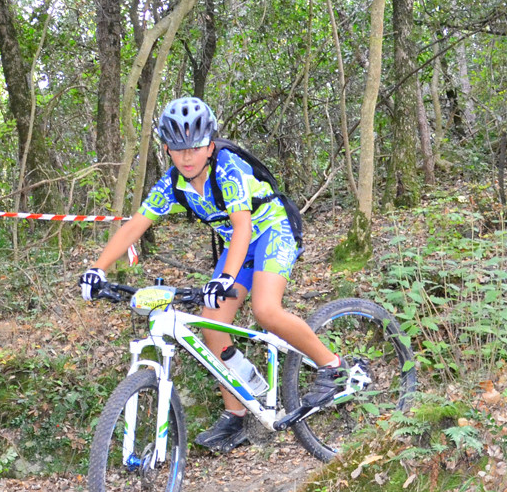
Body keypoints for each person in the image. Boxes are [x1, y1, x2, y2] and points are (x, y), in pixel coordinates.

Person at [79, 96, 346, 451]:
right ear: (166, 149)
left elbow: (243, 225)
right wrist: (98, 268)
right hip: (239, 243)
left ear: (210, 145)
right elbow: (134, 227)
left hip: (270, 232)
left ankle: (332, 367)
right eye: (178, 149)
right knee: (211, 322)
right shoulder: (172, 184)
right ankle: (236, 417)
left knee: (267, 310)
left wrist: (225, 276)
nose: (187, 157)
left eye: (196, 147)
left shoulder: (227, 168)